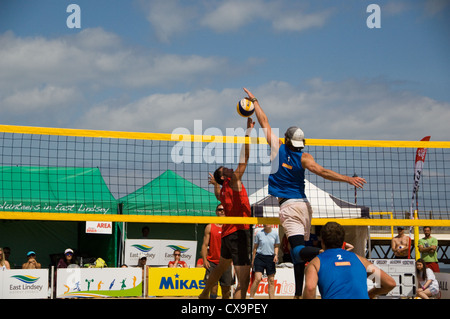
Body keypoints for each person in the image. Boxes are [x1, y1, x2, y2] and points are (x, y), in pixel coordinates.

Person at [244, 87, 367, 298]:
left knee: (297, 251)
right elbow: (322, 172)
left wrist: (254, 100)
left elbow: (263, 120)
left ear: (286, 138)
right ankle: (299, 294)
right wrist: (347, 178)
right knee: (299, 254)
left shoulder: (278, 147)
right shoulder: (304, 157)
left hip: (289, 207)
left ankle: (330, 251)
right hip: (304, 205)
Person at [199, 117, 255, 299]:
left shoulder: (223, 190)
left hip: (228, 234)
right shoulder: (232, 183)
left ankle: (204, 294)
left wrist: (216, 183)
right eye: (225, 170)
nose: (229, 169)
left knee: (221, 268)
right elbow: (244, 159)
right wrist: (248, 132)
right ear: (224, 178)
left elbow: (217, 196)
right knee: (243, 282)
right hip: (239, 232)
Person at [303, 222, 396, 299]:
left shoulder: (316, 263)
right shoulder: (361, 260)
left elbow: (310, 288)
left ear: (322, 241)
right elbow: (389, 283)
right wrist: (371, 293)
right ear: (343, 241)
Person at [201, 204, 232, 299]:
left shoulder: (230, 227)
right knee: (213, 288)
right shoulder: (210, 227)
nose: (222, 211)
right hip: (212, 262)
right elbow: (205, 245)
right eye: (219, 209)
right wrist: (205, 260)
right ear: (216, 212)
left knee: (226, 291)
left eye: (224, 209)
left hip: (226, 263)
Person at [249, 225, 280, 299]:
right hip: (260, 257)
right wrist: (253, 260)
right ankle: (251, 297)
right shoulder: (259, 233)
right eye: (264, 223)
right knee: (258, 278)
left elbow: (276, 246)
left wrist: (276, 255)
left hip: (270, 257)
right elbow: (255, 248)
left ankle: (271, 298)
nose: (266, 224)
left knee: (271, 280)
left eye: (267, 223)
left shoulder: (275, 234)